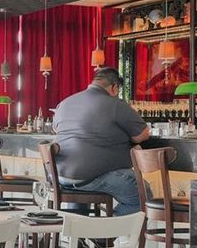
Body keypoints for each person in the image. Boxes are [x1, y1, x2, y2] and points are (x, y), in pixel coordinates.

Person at [52, 67, 150, 216]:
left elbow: (56, 130)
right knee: (145, 195)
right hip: (91, 176)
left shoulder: (65, 103)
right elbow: (142, 135)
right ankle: (103, 234)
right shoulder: (116, 104)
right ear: (114, 87)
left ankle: (79, 234)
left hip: (60, 177)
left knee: (81, 179)